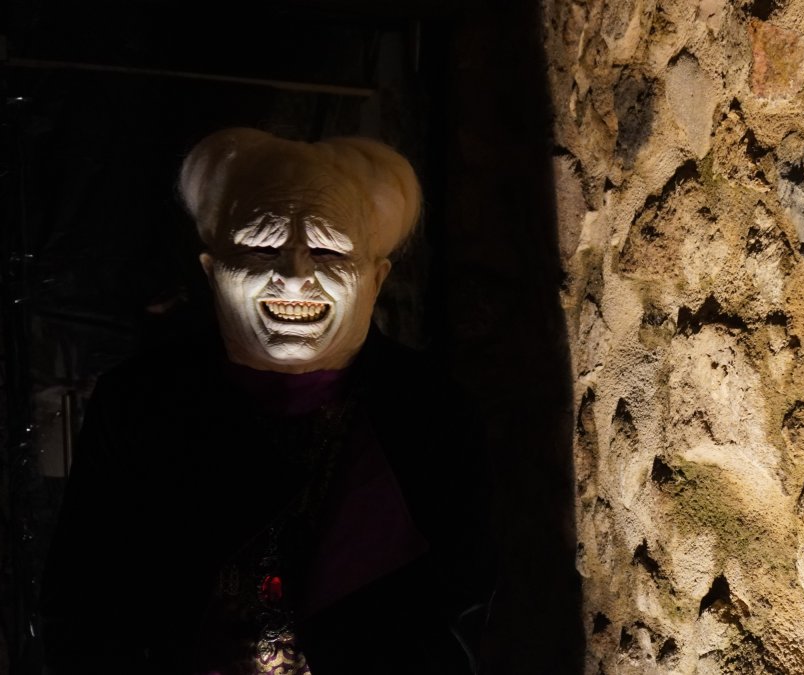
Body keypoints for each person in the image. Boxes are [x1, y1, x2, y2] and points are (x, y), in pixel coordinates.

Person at [41, 129, 495, 674]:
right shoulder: (140, 405)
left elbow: (467, 606)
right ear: (213, 271)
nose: (296, 278)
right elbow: (83, 601)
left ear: (375, 278)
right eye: (262, 247)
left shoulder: (431, 414)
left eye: (327, 250)